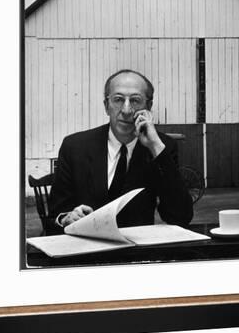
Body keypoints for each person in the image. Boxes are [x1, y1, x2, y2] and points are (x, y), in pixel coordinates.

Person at [47, 69, 193, 234]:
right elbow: (54, 216)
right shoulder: (75, 147)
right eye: (118, 100)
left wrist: (156, 148)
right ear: (106, 106)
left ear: (149, 107)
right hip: (87, 247)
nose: (126, 109)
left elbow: (181, 216)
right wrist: (67, 219)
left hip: (137, 250)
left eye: (135, 101)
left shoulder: (162, 146)